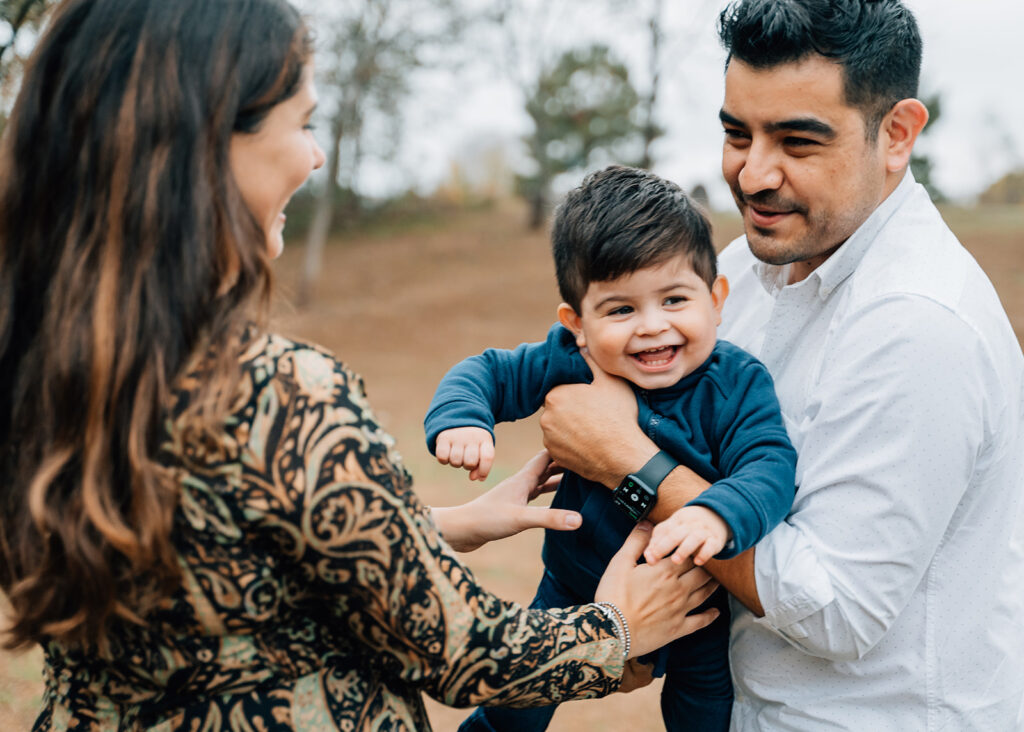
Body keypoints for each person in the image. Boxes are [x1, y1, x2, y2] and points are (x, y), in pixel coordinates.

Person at [0, 1, 722, 729]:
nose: (316, 156)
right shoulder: (283, 398)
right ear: (210, 142)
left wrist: (433, 528)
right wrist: (617, 629)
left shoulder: (37, 374)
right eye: (304, 123)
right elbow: (462, 652)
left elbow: (214, 568)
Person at [539, 1, 1024, 730]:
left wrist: (630, 466)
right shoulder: (742, 268)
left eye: (798, 141)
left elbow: (838, 610)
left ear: (896, 134)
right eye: (737, 133)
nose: (754, 173)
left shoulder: (921, 324)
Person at [425, 165, 797, 731]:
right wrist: (465, 421)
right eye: (621, 309)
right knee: (513, 712)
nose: (651, 327)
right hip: (573, 584)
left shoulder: (738, 383)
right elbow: (486, 373)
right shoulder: (572, 360)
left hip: (693, 597)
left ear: (717, 299)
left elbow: (770, 468)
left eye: (674, 300)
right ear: (577, 323)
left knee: (704, 712)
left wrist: (719, 515)